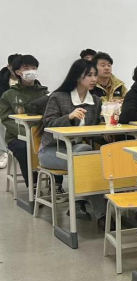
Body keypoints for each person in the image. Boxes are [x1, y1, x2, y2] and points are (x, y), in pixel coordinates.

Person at [38, 60, 105, 223]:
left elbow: (92, 130)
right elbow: (48, 124)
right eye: (89, 75)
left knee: (86, 155)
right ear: (77, 77)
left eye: (95, 75)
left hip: (76, 149)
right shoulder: (58, 97)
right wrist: (68, 117)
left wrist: (105, 134)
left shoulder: (96, 101)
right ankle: (100, 214)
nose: (94, 79)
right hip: (51, 150)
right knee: (86, 159)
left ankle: (81, 203)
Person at [0, 55, 49, 188]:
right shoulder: (8, 95)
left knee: (56, 144)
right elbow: (6, 119)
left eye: (34, 67)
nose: (31, 71)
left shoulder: (44, 92)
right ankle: (33, 185)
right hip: (17, 137)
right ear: (18, 72)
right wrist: (28, 134)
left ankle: (56, 184)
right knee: (25, 147)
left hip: (41, 133)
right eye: (26, 68)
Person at [0, 54, 21, 169]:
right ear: (9, 66)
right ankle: (3, 152)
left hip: (23, 112)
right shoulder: (1, 79)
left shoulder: (30, 80)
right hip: (5, 111)